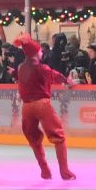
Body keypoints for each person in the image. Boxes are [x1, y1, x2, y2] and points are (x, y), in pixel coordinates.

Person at [13, 34, 75, 180]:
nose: (42, 53)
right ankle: (64, 172)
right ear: (35, 54)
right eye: (40, 51)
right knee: (58, 137)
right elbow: (55, 75)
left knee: (34, 140)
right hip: (41, 104)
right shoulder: (41, 68)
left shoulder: (21, 67)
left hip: (26, 107)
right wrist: (67, 81)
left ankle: (45, 170)